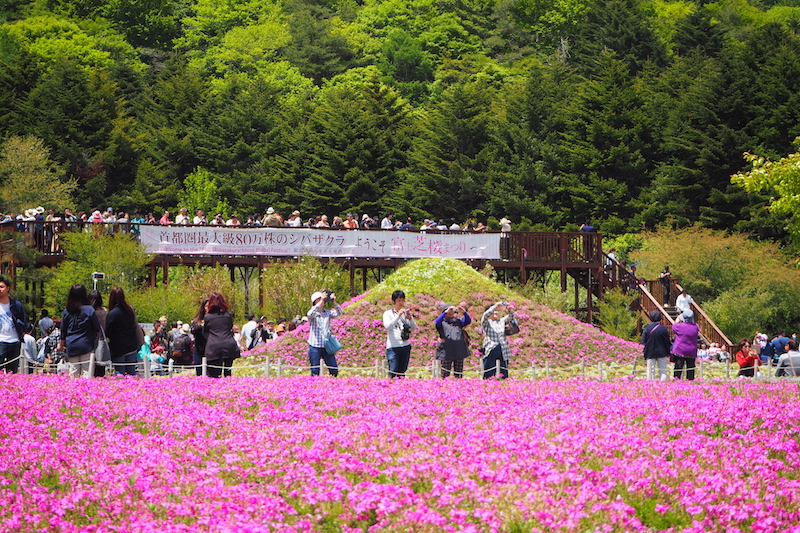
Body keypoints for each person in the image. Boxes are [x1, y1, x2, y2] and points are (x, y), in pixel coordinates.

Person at [58, 284, 101, 378]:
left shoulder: (67, 311)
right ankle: (86, 392)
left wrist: (61, 344)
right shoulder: (89, 310)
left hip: (72, 345)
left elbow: (63, 330)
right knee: (87, 373)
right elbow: (97, 327)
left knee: (74, 373)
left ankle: (74, 392)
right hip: (86, 345)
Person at [105, 286, 141, 376]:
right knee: (131, 371)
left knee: (119, 373)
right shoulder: (129, 311)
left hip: (118, 347)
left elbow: (107, 332)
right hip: (131, 345)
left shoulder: (112, 314)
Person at [202, 292, 240, 378]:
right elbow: (230, 327)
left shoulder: (207, 317)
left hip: (213, 345)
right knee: (228, 370)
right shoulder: (228, 315)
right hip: (228, 344)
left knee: (213, 374)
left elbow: (205, 331)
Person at [382, 290, 418, 379]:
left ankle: (400, 390)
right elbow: (387, 326)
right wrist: (398, 316)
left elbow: (414, 328)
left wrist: (410, 318)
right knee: (393, 371)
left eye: (402, 300)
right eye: (398, 300)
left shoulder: (406, 313)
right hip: (393, 346)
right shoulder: (388, 313)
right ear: (393, 301)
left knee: (402, 372)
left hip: (405, 346)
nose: (401, 303)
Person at [307, 290, 343, 376]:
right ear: (315, 301)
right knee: (315, 371)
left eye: (322, 299)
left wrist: (334, 302)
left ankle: (330, 385)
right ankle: (315, 386)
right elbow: (309, 314)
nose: (322, 301)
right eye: (318, 299)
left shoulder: (327, 313)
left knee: (334, 370)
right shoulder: (313, 313)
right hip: (315, 345)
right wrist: (321, 302)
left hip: (326, 346)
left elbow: (339, 313)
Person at [434, 302, 471, 378]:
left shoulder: (458, 321)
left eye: (452, 310)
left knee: (459, 373)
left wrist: (464, 312)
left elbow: (468, 321)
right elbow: (437, 322)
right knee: (445, 373)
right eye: (449, 311)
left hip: (459, 350)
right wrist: (445, 312)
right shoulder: (442, 322)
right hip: (446, 351)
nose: (451, 312)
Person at [0, 276, 29, 373]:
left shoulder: (16, 305)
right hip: (0, 341)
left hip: (14, 341)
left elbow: (23, 322)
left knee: (12, 372)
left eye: (1, 286)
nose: (0, 289)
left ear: (8, 288)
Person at [481, 301, 515, 379]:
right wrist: (495, 306)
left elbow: (510, 317)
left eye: (496, 311)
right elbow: (485, 316)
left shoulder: (501, 321)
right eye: (493, 311)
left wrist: (510, 310)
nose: (495, 312)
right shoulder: (486, 322)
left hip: (503, 348)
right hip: (491, 348)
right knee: (489, 372)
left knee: (503, 372)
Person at [641, 310, 671, 381]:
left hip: (650, 352)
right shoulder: (663, 328)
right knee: (663, 370)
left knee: (650, 371)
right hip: (662, 351)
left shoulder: (647, 328)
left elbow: (643, 341)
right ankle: (663, 385)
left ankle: (650, 386)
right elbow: (667, 341)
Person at [672, 310, 699, 380]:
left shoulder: (678, 327)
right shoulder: (696, 327)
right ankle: (690, 383)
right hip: (691, 351)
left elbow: (674, 325)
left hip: (680, 350)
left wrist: (678, 319)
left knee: (678, 369)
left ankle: (676, 383)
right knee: (690, 369)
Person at [89, 289, 107, 376]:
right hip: (102, 341)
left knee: (90, 368)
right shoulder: (104, 312)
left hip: (91, 342)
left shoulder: (90, 313)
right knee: (101, 367)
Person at [191, 299, 208, 377]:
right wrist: (201, 325)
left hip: (211, 350)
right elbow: (193, 330)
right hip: (199, 349)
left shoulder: (215, 319)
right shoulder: (198, 320)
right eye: (207, 306)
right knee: (199, 374)